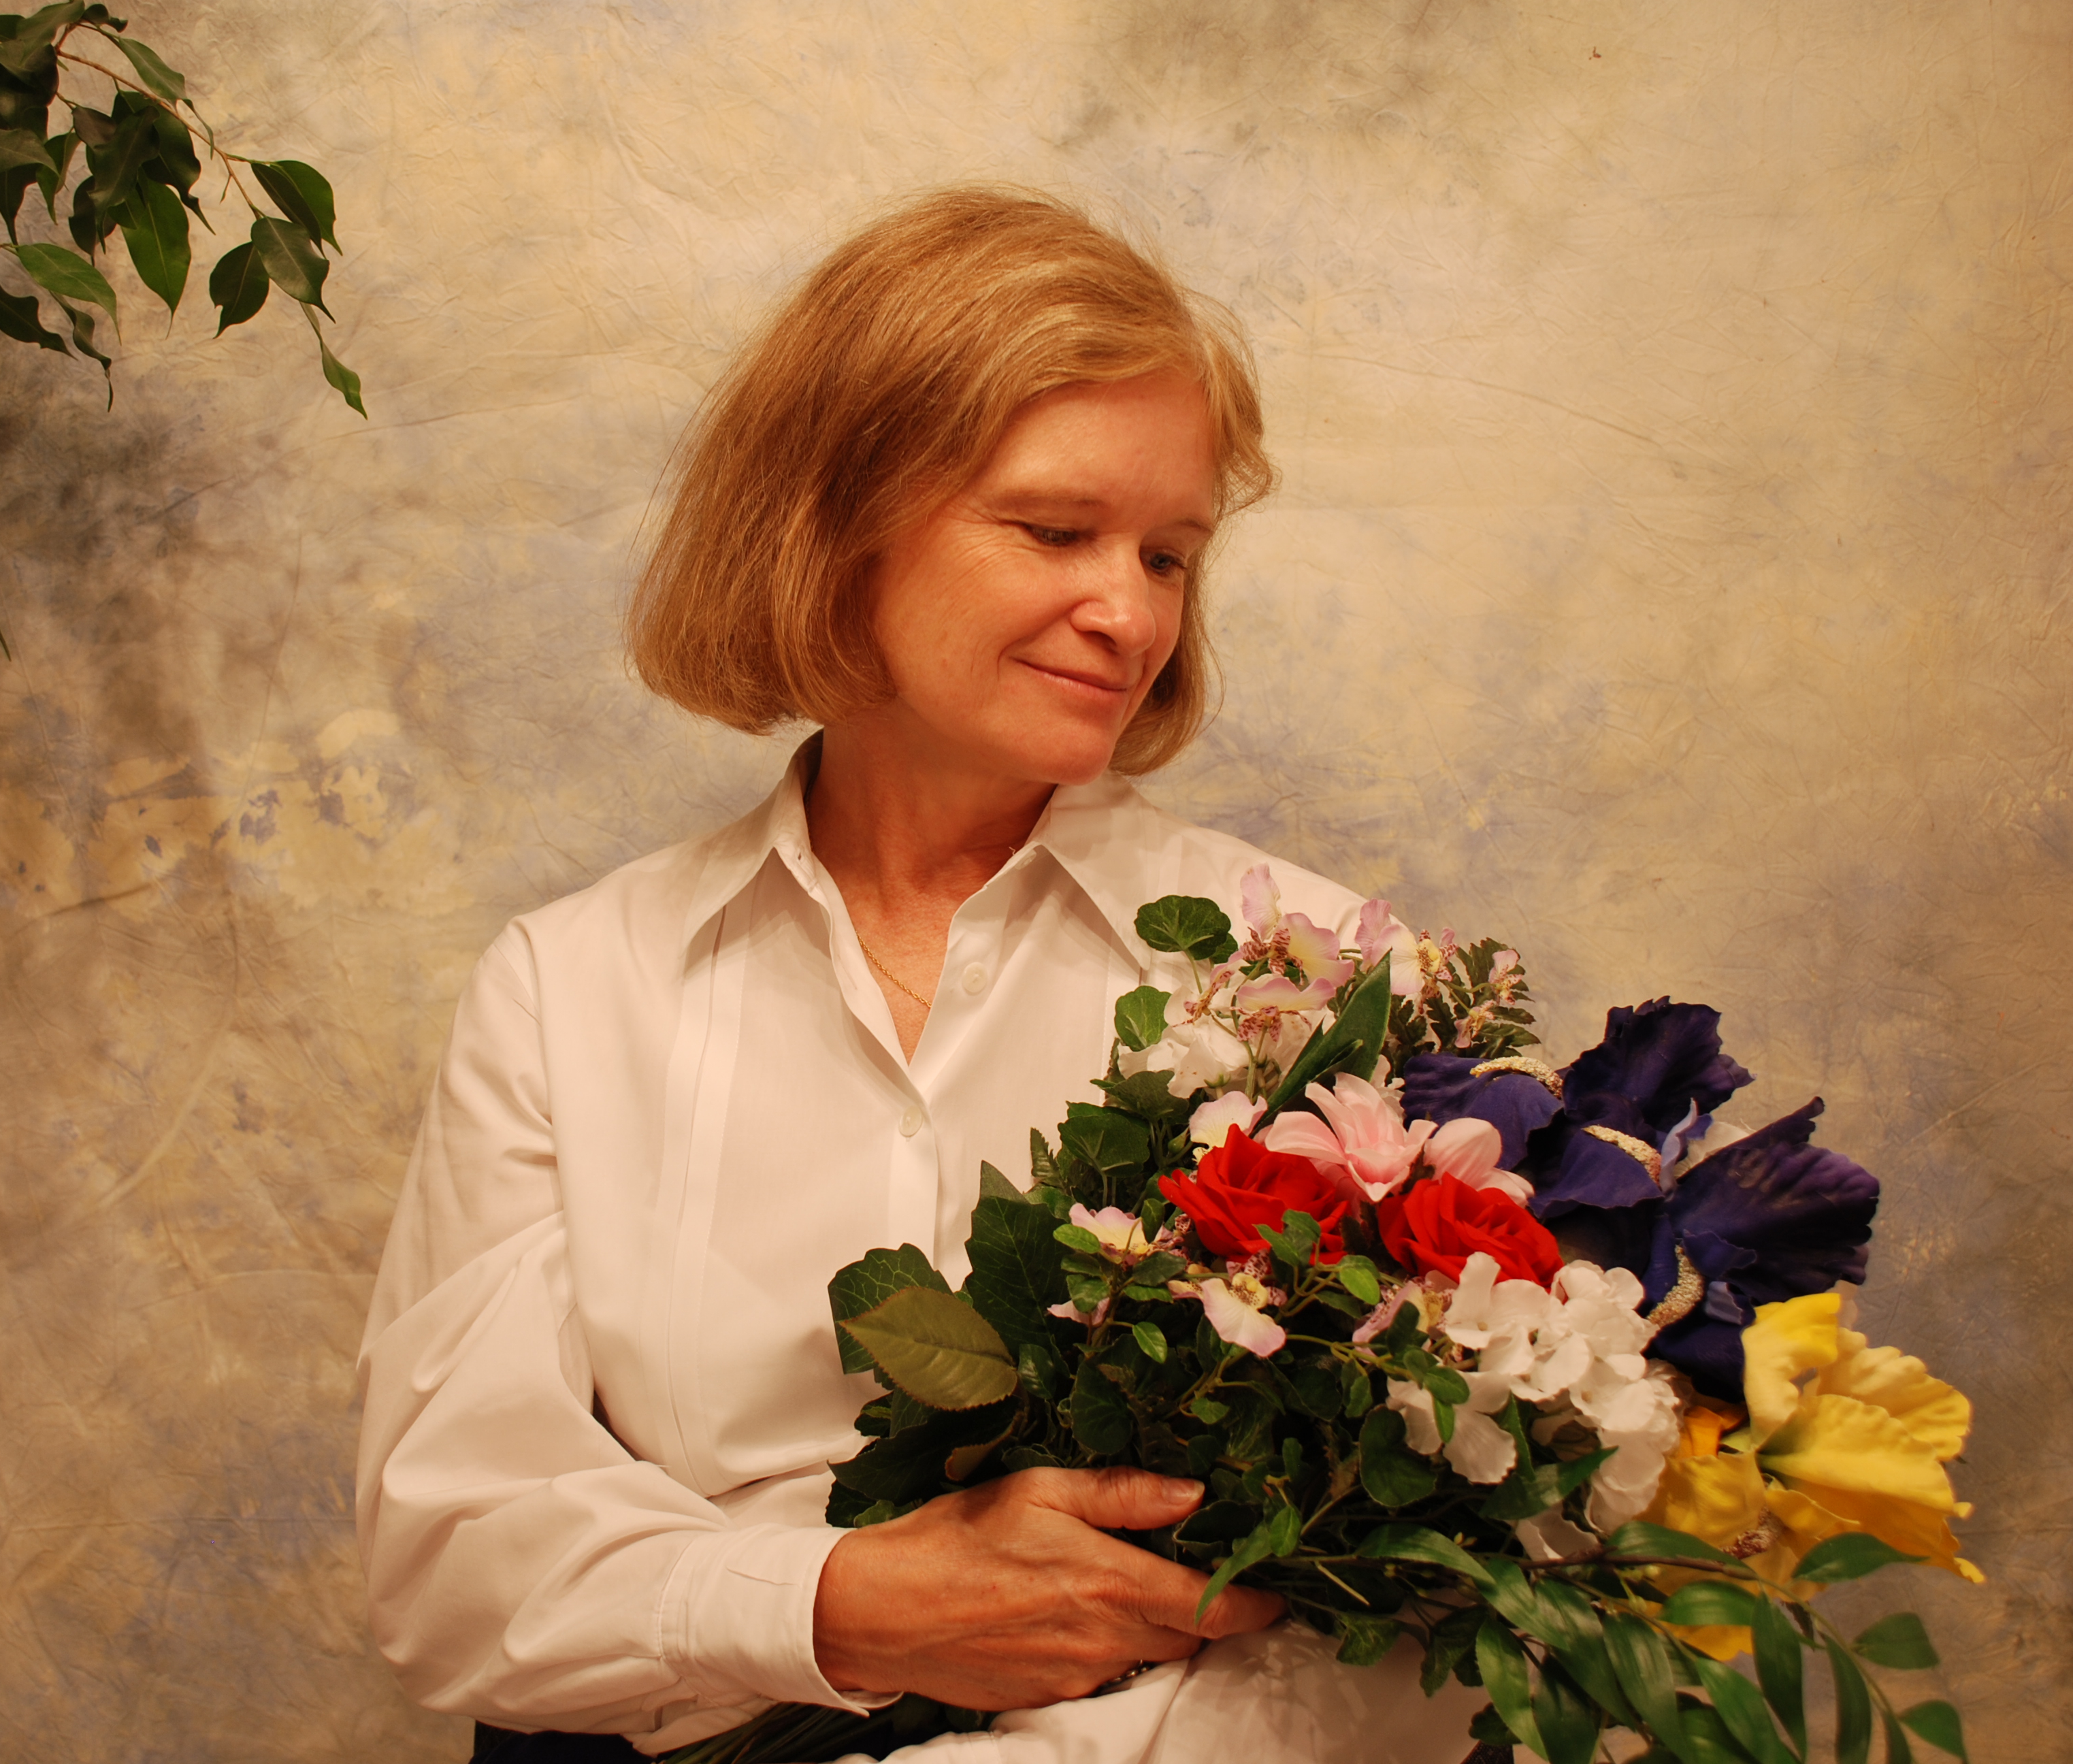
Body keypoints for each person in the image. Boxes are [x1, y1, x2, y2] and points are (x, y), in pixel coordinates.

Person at [356, 188, 1481, 1764]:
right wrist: (835, 1605)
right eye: (1055, 531)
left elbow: (1428, 1602)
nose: (1131, 614)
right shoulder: (571, 986)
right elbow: (454, 1565)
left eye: (1169, 554)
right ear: (835, 523)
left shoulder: (1318, 977)